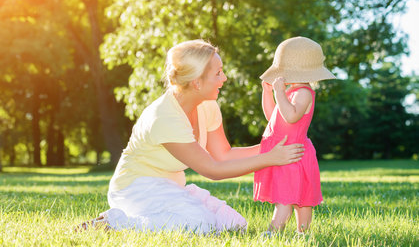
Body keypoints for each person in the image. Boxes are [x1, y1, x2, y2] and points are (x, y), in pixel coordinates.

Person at [76, 39, 305, 234]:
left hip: (170, 188)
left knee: (235, 225)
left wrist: (274, 146)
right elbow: (212, 170)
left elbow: (223, 155)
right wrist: (270, 158)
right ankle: (114, 222)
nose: (224, 78)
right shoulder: (164, 117)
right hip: (135, 188)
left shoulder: (208, 105)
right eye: (218, 73)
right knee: (200, 224)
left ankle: (170, 212)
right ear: (196, 82)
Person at [253, 36, 336, 236]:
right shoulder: (290, 91)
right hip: (283, 152)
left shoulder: (304, 93)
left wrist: (280, 93)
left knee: (294, 200)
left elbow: (291, 116)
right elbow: (273, 115)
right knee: (291, 197)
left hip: (294, 154)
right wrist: (268, 93)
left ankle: (276, 233)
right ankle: (301, 234)